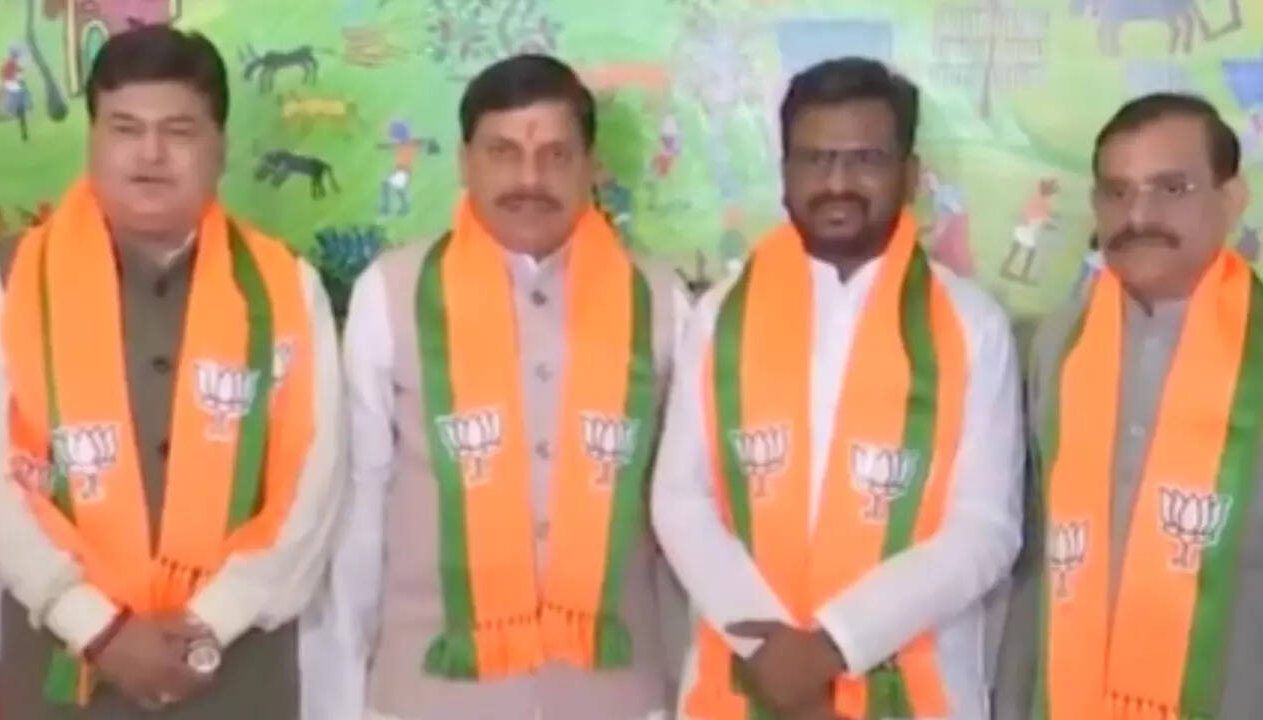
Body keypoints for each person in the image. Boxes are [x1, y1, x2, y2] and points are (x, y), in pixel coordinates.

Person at [300, 54, 689, 720]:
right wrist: (338, 695)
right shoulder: (391, 293)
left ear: (592, 166)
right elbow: (360, 509)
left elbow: (681, 515)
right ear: (464, 162)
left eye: (556, 155)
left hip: (617, 695)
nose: (529, 179)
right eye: (503, 152)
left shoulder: (659, 300)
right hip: (428, 695)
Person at [0, 25, 343, 719]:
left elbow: (313, 482)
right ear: (93, 141)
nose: (150, 154)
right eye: (125, 128)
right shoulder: (5, 279)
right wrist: (98, 629)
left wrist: (209, 624)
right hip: (63, 670)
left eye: (179, 131)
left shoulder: (285, 287)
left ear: (220, 147)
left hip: (233, 674)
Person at [653, 57, 1023, 720]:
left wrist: (835, 645)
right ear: (785, 172)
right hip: (741, 678)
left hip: (916, 690)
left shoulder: (971, 324)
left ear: (910, 174)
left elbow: (985, 528)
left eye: (865, 160)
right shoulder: (719, 317)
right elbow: (681, 500)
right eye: (815, 160)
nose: (837, 183)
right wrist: (770, 651)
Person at [995, 93, 1262, 719]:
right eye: (1116, 192)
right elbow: (1034, 563)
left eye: (1171, 188)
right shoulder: (1053, 346)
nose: (1138, 215)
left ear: (1231, 199)